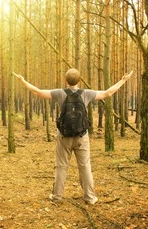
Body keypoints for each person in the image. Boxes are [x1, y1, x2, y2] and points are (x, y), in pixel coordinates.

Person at [14, 69, 133, 204]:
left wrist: (23, 81)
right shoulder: (86, 93)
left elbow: (38, 92)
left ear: (66, 81)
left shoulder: (59, 93)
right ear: (79, 81)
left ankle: (57, 197)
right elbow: (108, 93)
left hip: (64, 137)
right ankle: (90, 197)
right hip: (82, 137)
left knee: (61, 166)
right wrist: (123, 80)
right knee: (85, 166)